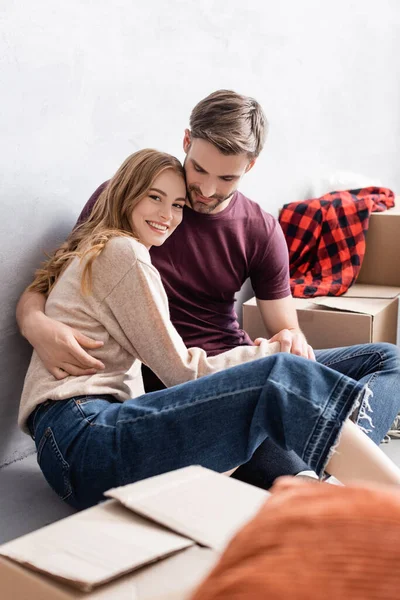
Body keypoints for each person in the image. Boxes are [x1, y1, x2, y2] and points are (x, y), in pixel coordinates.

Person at [16, 90, 400, 488]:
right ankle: (321, 451)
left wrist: (288, 346)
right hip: (168, 381)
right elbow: (55, 276)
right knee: (282, 414)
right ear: (186, 142)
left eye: (227, 177)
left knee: (386, 359)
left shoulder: (259, 229)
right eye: (199, 170)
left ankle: (326, 448)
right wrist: (34, 323)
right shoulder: (125, 204)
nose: (207, 190)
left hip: (229, 366)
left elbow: (286, 332)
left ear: (250, 166)